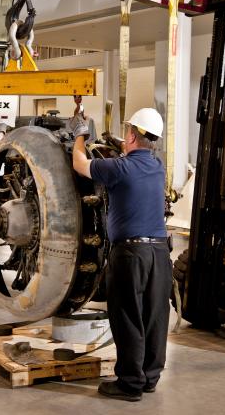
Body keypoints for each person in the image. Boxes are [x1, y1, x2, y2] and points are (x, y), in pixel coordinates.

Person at [71, 107, 172, 402]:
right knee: (155, 315)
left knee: (127, 315)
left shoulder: (118, 168)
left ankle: (129, 384)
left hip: (131, 253)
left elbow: (80, 164)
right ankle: (149, 377)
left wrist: (80, 135)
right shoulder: (157, 166)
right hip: (159, 252)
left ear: (131, 135)